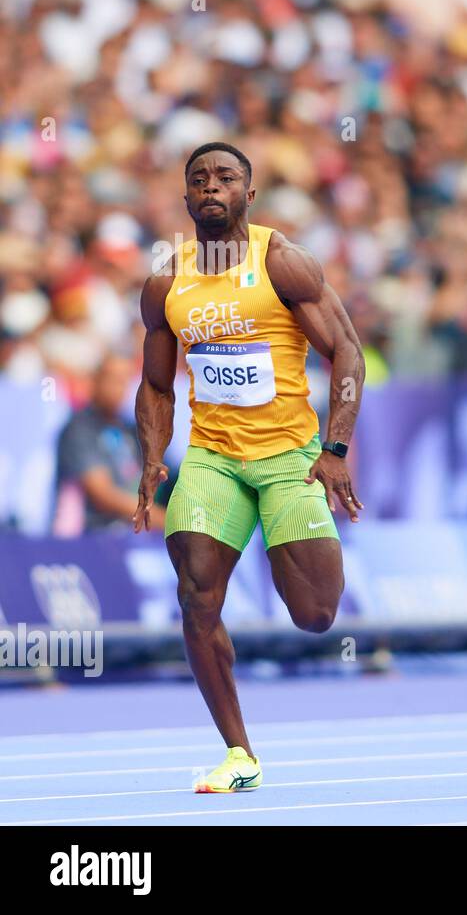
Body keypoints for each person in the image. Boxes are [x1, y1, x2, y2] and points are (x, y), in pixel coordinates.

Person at [133, 142, 366, 791]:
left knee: (315, 614)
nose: (212, 187)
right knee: (195, 594)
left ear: (248, 194)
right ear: (186, 199)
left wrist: (336, 448)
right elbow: (155, 385)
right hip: (211, 458)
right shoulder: (165, 282)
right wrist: (153, 460)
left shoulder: (282, 264)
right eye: (199, 179)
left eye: (226, 177)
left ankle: (282, 529)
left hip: (288, 454)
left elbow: (347, 354)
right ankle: (240, 753)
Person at [55, 353, 162, 532]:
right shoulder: (79, 428)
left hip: (133, 533)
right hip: (92, 537)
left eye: (125, 380)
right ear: (95, 381)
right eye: (113, 379)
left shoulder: (130, 427)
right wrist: (164, 520)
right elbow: (102, 495)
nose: (120, 388)